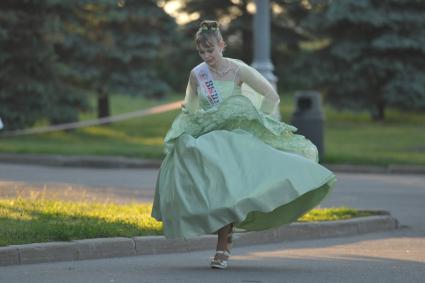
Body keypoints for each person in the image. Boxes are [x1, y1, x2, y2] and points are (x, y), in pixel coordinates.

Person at [151, 20, 336, 269]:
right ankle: (217, 232)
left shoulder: (238, 71)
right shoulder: (197, 74)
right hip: (208, 139)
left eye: (210, 51)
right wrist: (187, 119)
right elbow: (192, 110)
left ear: (221, 45)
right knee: (193, 171)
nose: (206, 56)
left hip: (235, 139)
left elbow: (271, 96)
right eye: (201, 52)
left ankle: (222, 245)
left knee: (231, 192)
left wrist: (258, 120)